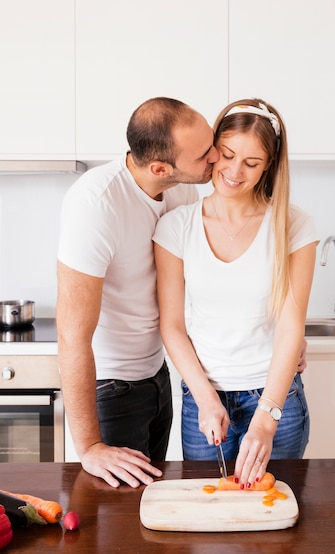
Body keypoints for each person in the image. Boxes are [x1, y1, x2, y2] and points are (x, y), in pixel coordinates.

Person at [153, 98, 319, 488]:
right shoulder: (176, 227)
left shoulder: (294, 226)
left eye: (251, 163)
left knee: (274, 520)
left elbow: (291, 327)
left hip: (277, 400)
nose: (233, 171)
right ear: (212, 149)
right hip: (204, 397)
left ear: (269, 166)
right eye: (227, 155)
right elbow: (173, 326)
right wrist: (206, 399)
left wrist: (267, 416)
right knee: (210, 521)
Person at [56, 97, 219, 488]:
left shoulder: (181, 190)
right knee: (115, 527)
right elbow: (71, 336)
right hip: (110, 391)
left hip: (157, 378)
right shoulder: (95, 204)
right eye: (203, 155)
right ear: (160, 168)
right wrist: (91, 446)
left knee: (151, 514)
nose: (217, 156)